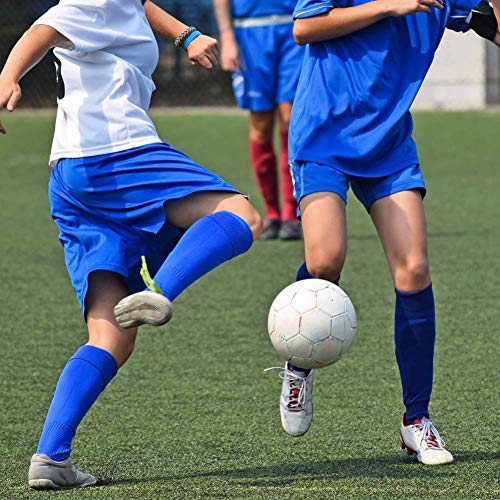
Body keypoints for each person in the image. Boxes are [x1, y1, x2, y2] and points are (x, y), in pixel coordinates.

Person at [0, 0, 262, 490]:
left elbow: (137, 6)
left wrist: (187, 36)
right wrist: (9, 74)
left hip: (71, 176)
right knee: (241, 216)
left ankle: (50, 457)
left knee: (111, 337)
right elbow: (45, 28)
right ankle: (160, 289)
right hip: (117, 155)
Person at [272, 0, 500, 465]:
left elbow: (492, 25)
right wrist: (390, 7)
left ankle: (416, 420)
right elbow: (306, 28)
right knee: (324, 262)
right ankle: (298, 364)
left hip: (389, 144)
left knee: (413, 268)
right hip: (324, 136)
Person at [213, 0, 304, 240]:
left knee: (290, 118)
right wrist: (227, 37)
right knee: (261, 125)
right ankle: (271, 213)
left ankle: (291, 214)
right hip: (250, 32)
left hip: (293, 28)